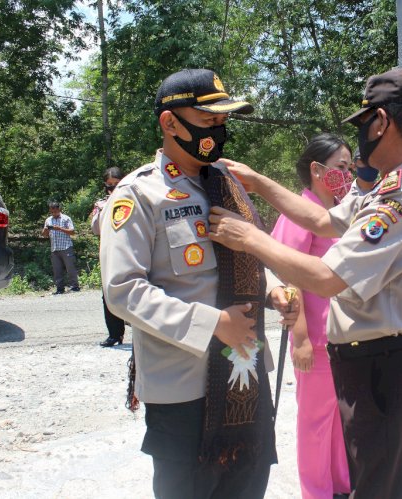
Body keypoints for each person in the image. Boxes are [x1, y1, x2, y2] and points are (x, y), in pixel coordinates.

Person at [208, 67, 402, 499]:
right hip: (374, 361)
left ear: (382, 122)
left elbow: (327, 278)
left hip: (389, 366)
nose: (360, 139)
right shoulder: (384, 190)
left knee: (380, 487)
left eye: (362, 124)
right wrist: (257, 182)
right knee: (371, 476)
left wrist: (250, 239)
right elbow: (320, 219)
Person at [99, 68, 298, 499]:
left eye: (223, 122)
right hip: (185, 388)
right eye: (209, 122)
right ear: (170, 123)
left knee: (246, 487)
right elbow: (122, 290)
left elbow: (247, 255)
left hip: (243, 374)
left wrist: (274, 290)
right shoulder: (138, 195)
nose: (219, 131)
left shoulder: (229, 183)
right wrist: (212, 324)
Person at [270, 133, 352, 499]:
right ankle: (316, 492)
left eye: (349, 167)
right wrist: (300, 339)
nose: (348, 175)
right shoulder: (299, 213)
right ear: (317, 170)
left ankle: (339, 484)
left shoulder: (334, 214)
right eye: (341, 167)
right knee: (315, 423)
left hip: (338, 336)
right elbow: (287, 279)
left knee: (337, 419)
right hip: (314, 340)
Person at [91, 167, 127, 347]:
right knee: (109, 294)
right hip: (110, 253)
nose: (113, 190)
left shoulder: (135, 200)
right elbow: (96, 229)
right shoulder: (101, 204)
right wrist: (100, 210)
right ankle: (115, 334)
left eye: (116, 185)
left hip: (130, 251)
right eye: (109, 186)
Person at [41, 201, 80, 294]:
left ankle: (75, 286)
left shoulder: (66, 218)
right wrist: (46, 229)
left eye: (55, 211)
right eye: (52, 212)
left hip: (66, 246)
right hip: (55, 248)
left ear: (59, 209)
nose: (54, 213)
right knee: (57, 270)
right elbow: (44, 235)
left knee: (70, 268)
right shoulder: (48, 220)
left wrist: (60, 229)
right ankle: (60, 289)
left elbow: (72, 232)